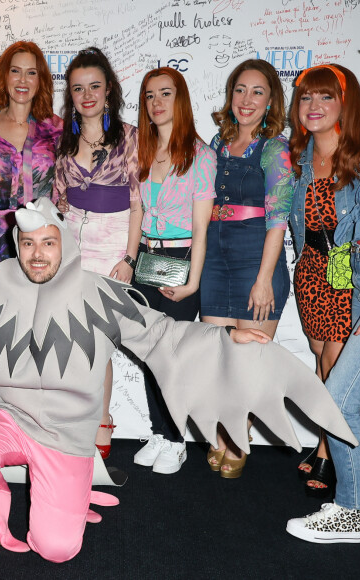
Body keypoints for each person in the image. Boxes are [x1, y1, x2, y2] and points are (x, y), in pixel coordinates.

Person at [0, 197, 356, 569]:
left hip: (67, 436)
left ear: (65, 243)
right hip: (5, 421)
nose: (37, 255)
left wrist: (229, 338)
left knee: (55, 550)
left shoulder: (101, 295)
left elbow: (165, 337)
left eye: (48, 243)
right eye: (28, 245)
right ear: (18, 246)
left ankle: (74, 485)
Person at [200, 58, 294, 478]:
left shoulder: (276, 150)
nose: (247, 99)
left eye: (258, 91)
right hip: (216, 259)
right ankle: (225, 430)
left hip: (258, 258)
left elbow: (279, 219)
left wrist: (262, 280)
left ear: (272, 99)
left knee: (249, 361)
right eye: (240, 89)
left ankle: (237, 437)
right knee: (220, 357)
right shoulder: (217, 144)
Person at [287, 64, 360, 539]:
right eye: (305, 99)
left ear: (344, 104)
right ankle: (322, 442)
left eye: (325, 98)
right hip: (313, 269)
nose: (313, 108)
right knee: (321, 359)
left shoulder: (358, 161)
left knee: (339, 370)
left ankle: (338, 464)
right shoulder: (297, 158)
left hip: (348, 272)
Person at [55, 47, 141, 459]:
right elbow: (58, 203)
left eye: (94, 86)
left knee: (98, 344)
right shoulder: (64, 138)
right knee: (68, 341)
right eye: (78, 88)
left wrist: (129, 258)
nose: (86, 95)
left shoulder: (130, 137)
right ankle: (71, 423)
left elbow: (140, 204)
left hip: (112, 248)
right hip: (71, 246)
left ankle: (102, 421)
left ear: (109, 90)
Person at [131, 67, 216, 474]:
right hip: (149, 260)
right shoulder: (143, 152)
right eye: (150, 96)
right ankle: (158, 431)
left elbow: (201, 228)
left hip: (181, 261)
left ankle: (177, 439)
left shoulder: (201, 156)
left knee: (175, 357)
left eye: (165, 93)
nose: (157, 102)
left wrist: (192, 281)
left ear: (180, 99)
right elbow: (138, 211)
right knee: (150, 353)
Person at [0, 40, 62, 413]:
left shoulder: (55, 129)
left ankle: (30, 428)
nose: (23, 79)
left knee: (35, 337)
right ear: (3, 76)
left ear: (41, 80)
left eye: (32, 72)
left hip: (38, 247)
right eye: (15, 70)